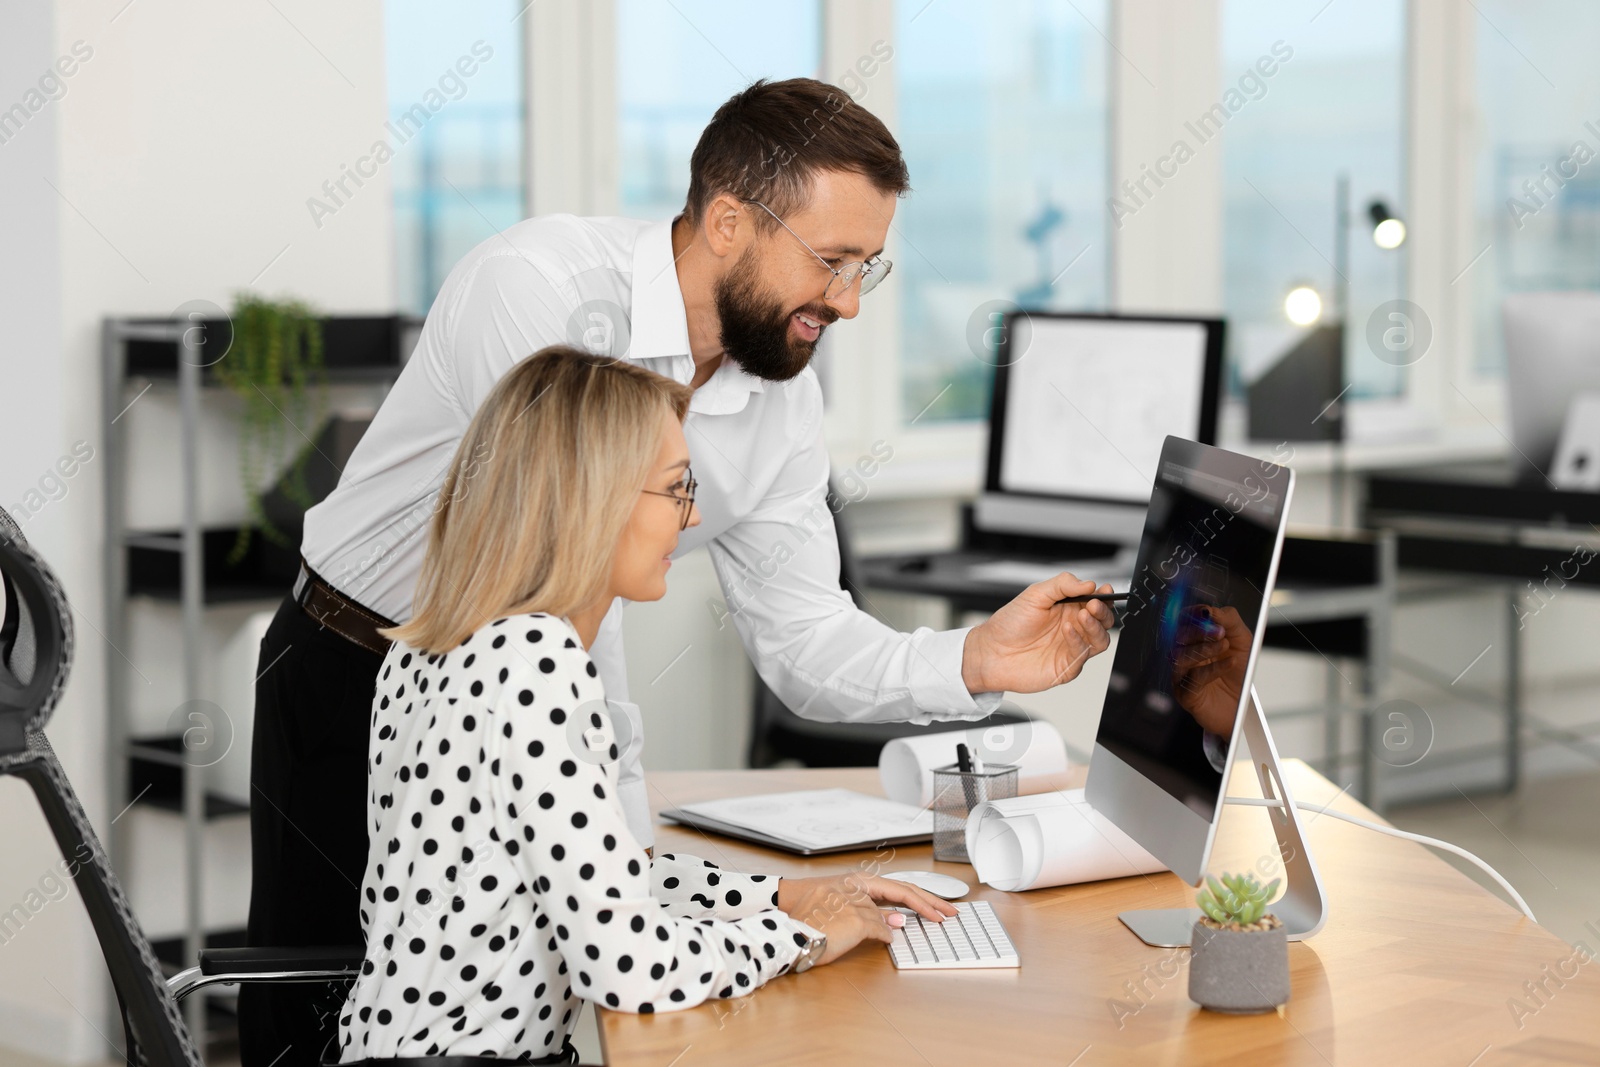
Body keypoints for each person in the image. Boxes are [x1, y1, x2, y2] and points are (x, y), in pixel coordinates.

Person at [243, 77, 1114, 1063]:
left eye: (869, 266)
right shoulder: (538, 290)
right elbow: (565, 598)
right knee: (306, 1000)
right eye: (831, 262)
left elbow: (803, 639)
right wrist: (734, 912)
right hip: (351, 652)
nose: (849, 301)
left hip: (500, 691)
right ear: (731, 221)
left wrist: (977, 661)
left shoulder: (779, 393)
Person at [335, 347, 958, 1062]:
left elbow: (605, 878)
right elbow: (630, 964)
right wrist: (810, 937)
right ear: (590, 497)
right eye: (675, 488)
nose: (690, 519)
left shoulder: (434, 638)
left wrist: (782, 894)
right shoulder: (532, 658)